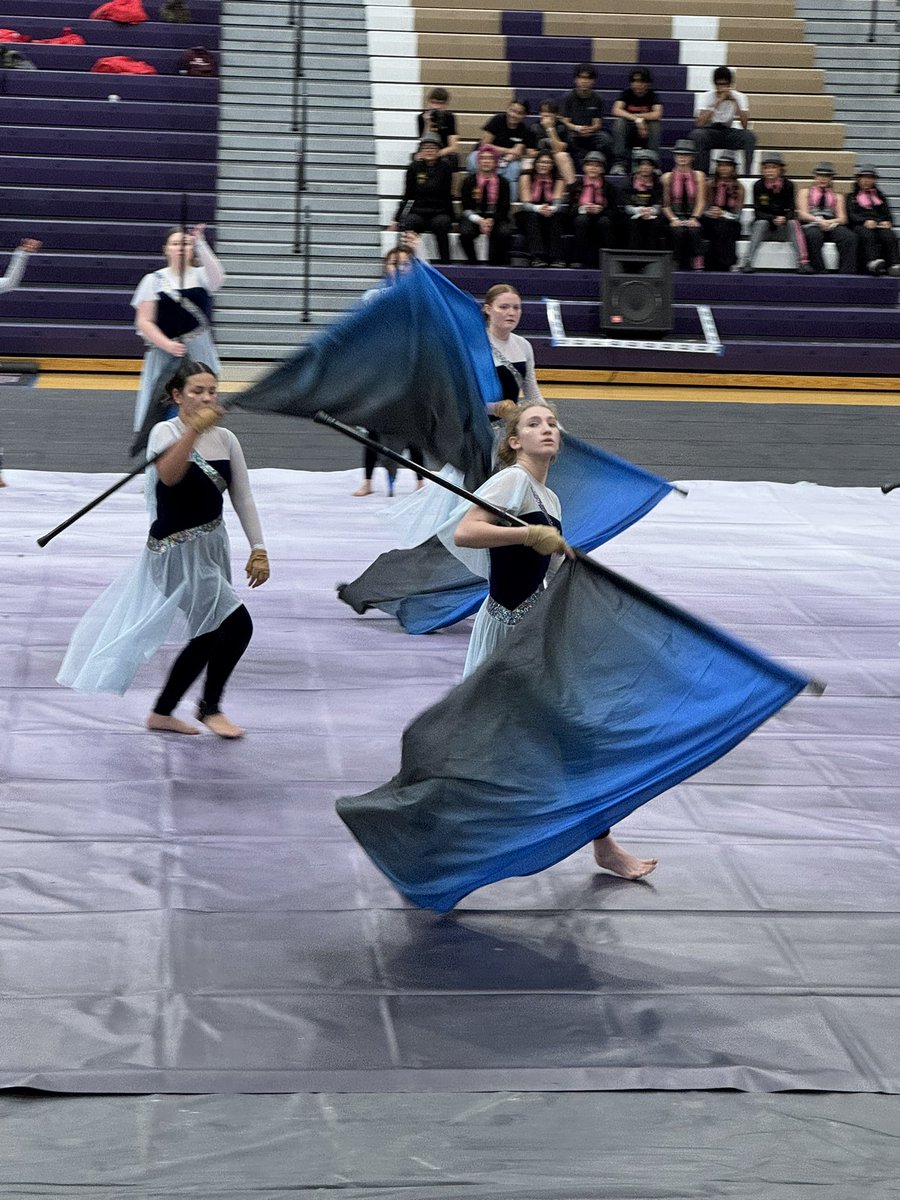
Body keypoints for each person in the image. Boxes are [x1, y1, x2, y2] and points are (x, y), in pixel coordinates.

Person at [453, 401, 658, 880]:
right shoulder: (513, 481)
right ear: (513, 441)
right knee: (516, 741)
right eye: (533, 424)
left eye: (551, 423)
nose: (546, 429)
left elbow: (549, 566)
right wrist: (528, 536)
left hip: (532, 630)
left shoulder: (551, 498)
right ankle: (599, 844)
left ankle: (601, 843)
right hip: (508, 628)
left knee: (563, 738)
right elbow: (466, 532)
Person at [57, 362, 270, 740]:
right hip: (173, 553)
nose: (206, 398)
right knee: (236, 626)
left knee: (208, 633)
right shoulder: (164, 432)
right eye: (196, 391)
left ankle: (163, 711)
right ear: (177, 396)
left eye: (211, 391)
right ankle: (210, 707)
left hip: (211, 547)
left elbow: (243, 496)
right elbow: (170, 476)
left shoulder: (226, 439)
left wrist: (259, 548)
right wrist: (192, 431)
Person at [131, 223, 225, 436]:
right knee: (164, 401)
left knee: (200, 399)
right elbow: (144, 322)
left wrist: (200, 242)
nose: (180, 247)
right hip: (165, 353)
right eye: (175, 243)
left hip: (198, 350)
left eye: (185, 243)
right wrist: (168, 345)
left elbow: (218, 277)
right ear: (166, 249)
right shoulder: (153, 280)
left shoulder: (202, 276)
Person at [354, 247, 425, 497]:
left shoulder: (418, 297)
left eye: (406, 264)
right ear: (386, 268)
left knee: (412, 426)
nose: (400, 268)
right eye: (395, 264)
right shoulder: (372, 295)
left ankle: (419, 480)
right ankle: (368, 480)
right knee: (373, 427)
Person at [742, 152, 813, 274]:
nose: (769, 171)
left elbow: (791, 209)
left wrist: (784, 218)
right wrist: (773, 218)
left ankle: (803, 262)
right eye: (766, 167)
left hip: (782, 227)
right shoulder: (758, 185)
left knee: (793, 223)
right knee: (761, 223)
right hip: (765, 228)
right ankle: (747, 261)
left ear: (781, 169)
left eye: (773, 167)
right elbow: (758, 212)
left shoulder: (788, 185)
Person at [390, 134, 454, 264]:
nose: (429, 150)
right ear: (420, 151)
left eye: (432, 147)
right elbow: (407, 195)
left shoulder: (446, 168)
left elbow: (448, 195)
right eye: (426, 147)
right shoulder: (413, 168)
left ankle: (446, 264)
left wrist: (453, 218)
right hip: (418, 211)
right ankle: (409, 263)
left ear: (438, 150)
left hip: (439, 211)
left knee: (442, 224)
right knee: (410, 223)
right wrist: (396, 218)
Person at [483, 283, 542, 408]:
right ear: (488, 309)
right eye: (503, 307)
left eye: (516, 308)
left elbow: (532, 394)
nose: (511, 313)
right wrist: (495, 409)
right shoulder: (474, 346)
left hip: (510, 423)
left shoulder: (523, 345)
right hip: (479, 423)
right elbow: (463, 400)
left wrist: (550, 421)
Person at [690, 65, 756, 177]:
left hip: (727, 131)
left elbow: (744, 125)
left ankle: (747, 175)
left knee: (749, 136)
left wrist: (737, 103)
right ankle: (702, 175)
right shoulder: (706, 96)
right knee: (697, 135)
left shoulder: (739, 97)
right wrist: (718, 102)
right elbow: (700, 123)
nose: (722, 88)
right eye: (719, 85)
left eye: (725, 85)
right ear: (715, 84)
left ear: (730, 85)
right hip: (710, 131)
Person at [796, 162, 857, 275]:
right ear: (815, 177)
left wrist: (829, 222)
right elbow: (802, 214)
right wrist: (818, 221)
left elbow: (843, 218)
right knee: (814, 235)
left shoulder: (837, 196)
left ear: (831, 178)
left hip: (831, 223)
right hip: (812, 222)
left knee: (849, 237)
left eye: (826, 176)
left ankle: (846, 271)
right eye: (820, 175)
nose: (823, 179)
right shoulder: (805, 192)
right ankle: (819, 269)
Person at [459, 145, 512, 266]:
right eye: (482, 158)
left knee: (504, 232)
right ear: (478, 162)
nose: (486, 161)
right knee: (465, 233)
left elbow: (505, 207)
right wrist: (480, 221)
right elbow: (466, 206)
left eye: (490, 159)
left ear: (495, 162)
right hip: (474, 216)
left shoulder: (503, 182)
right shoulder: (469, 181)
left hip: (496, 216)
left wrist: (491, 221)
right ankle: (473, 263)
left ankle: (497, 265)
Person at [467, 99, 537, 184]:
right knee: (472, 159)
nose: (513, 115)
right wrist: (508, 150)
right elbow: (485, 145)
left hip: (506, 159)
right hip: (487, 155)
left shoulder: (525, 131)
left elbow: (516, 153)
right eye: (512, 110)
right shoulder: (497, 120)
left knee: (515, 168)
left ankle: (507, 195)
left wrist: (508, 156)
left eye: (519, 113)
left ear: (524, 115)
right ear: (507, 109)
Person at [568, 150, 618, 269]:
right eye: (590, 165)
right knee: (582, 220)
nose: (593, 168)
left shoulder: (610, 188)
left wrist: (601, 210)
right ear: (584, 167)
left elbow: (616, 213)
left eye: (597, 166)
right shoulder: (576, 186)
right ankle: (577, 259)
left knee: (605, 222)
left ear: (603, 169)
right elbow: (569, 212)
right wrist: (583, 209)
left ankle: (608, 262)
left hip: (602, 219)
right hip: (581, 220)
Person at [847, 165, 900, 276]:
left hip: (878, 224)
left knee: (889, 235)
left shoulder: (880, 197)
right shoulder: (851, 197)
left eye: (870, 178)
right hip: (860, 225)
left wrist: (887, 222)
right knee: (867, 234)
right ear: (859, 180)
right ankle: (872, 262)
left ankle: (894, 264)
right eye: (864, 178)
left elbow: (888, 215)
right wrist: (864, 221)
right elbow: (851, 215)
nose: (867, 181)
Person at [517, 150, 567, 267]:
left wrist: (550, 210)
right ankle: (537, 257)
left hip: (551, 212)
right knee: (532, 217)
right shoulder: (526, 176)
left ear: (552, 165)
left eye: (547, 163)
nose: (543, 165)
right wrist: (539, 208)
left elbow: (557, 204)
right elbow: (525, 204)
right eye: (540, 162)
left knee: (557, 217)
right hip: (531, 212)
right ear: (535, 163)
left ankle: (556, 258)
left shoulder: (559, 178)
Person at [560, 63, 613, 171]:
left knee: (605, 139)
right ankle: (580, 163)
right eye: (581, 77)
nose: (584, 81)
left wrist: (591, 129)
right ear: (576, 80)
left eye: (588, 78)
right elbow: (565, 121)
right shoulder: (568, 97)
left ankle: (605, 166)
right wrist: (577, 128)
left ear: (593, 81)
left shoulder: (598, 99)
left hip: (591, 133)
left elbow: (597, 123)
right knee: (567, 137)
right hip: (574, 132)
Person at [662, 140, 706, 270]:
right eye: (679, 154)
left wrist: (694, 218)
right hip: (675, 215)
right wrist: (673, 219)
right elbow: (665, 204)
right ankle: (674, 261)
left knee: (694, 230)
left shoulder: (698, 175)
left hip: (693, 213)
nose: (682, 157)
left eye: (685, 155)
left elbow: (701, 201)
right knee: (677, 231)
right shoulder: (667, 177)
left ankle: (698, 260)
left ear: (692, 157)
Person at [610, 66, 662, 175]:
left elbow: (658, 113)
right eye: (634, 81)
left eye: (641, 81)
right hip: (628, 130)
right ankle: (619, 163)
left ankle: (653, 162)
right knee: (619, 122)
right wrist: (638, 120)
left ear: (648, 83)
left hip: (646, 131)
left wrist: (641, 119)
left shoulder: (652, 96)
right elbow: (616, 110)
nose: (637, 84)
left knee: (655, 124)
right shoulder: (626, 94)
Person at [701, 151, 744, 271]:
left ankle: (724, 263)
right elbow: (703, 209)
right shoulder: (709, 185)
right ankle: (721, 263)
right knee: (715, 226)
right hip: (711, 219)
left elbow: (737, 215)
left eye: (727, 165)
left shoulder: (739, 187)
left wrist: (723, 214)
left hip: (730, 221)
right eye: (721, 165)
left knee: (725, 226)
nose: (723, 168)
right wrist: (711, 212)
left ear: (733, 168)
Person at [624, 148, 666, 250]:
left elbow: (659, 204)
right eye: (642, 164)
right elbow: (625, 204)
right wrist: (638, 211)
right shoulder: (629, 182)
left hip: (652, 214)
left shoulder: (658, 184)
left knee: (656, 223)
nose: (645, 167)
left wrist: (650, 211)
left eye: (648, 165)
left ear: (653, 167)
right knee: (632, 223)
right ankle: (633, 254)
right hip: (633, 213)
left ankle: (652, 254)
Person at [415, 86, 459, 173]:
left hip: (443, 151)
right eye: (433, 102)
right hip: (427, 150)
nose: (436, 106)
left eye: (440, 103)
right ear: (428, 102)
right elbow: (423, 141)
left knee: (453, 159)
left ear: (446, 105)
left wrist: (436, 154)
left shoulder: (449, 117)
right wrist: (427, 124)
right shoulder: (422, 117)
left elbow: (453, 146)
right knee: (416, 160)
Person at [535, 99, 576, 184]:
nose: (546, 114)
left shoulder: (562, 127)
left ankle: (571, 188)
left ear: (556, 114)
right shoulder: (534, 127)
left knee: (562, 156)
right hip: (538, 158)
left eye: (550, 112)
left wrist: (549, 129)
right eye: (543, 111)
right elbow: (529, 151)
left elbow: (560, 148)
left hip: (555, 157)